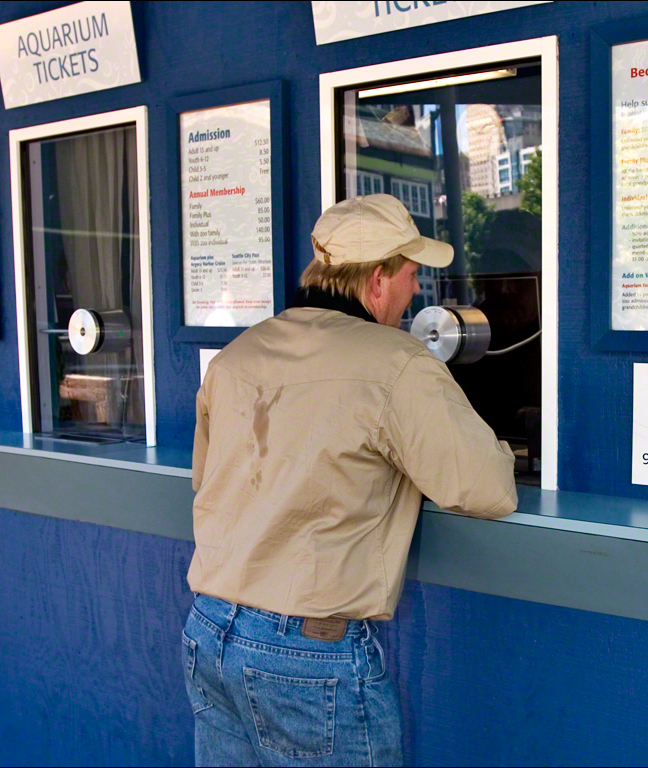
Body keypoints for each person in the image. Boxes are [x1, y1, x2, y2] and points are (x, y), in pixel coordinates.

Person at [182, 194, 518, 766]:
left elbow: (205, 478)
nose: (418, 292)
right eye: (412, 275)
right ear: (378, 279)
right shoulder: (397, 363)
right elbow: (488, 487)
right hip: (306, 655)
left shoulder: (237, 356)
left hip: (209, 629)